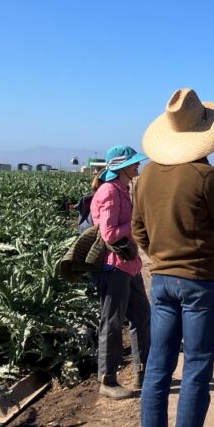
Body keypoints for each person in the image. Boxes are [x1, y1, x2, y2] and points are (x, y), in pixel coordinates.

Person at [133, 88, 214, 427]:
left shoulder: (144, 176)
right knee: (196, 371)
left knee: (158, 372)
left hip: (161, 281)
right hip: (200, 283)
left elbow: (138, 231)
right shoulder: (206, 176)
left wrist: (161, 253)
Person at [90, 145, 152, 400]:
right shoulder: (109, 192)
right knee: (112, 323)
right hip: (113, 267)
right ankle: (108, 380)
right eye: (134, 163)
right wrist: (137, 220)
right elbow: (109, 234)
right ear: (121, 166)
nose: (138, 166)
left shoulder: (122, 189)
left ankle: (144, 374)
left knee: (142, 318)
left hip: (130, 265)